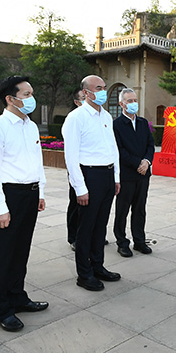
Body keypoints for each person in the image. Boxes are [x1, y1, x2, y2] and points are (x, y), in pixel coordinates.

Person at [0, 76, 48, 332]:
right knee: (3, 256)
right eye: (26, 94)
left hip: (29, 194)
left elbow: (36, 161)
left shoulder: (30, 126)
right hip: (8, 195)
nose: (31, 98)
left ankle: (18, 297)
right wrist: (0, 208)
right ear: (10, 98)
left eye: (32, 93)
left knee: (21, 251)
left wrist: (40, 191)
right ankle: (1, 310)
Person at [62, 75, 122, 291]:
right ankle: (84, 274)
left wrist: (115, 178)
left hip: (106, 176)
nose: (103, 91)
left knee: (100, 226)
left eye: (104, 87)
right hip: (89, 175)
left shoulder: (105, 115)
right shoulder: (75, 118)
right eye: (98, 88)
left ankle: (98, 266)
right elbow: (71, 156)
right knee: (85, 228)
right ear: (86, 92)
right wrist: (80, 187)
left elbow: (112, 149)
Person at [112, 88, 155, 257]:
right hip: (127, 175)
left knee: (140, 209)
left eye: (135, 100)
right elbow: (119, 150)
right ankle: (122, 242)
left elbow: (150, 145)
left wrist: (146, 161)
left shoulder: (144, 123)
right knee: (122, 210)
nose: (133, 103)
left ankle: (139, 241)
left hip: (144, 174)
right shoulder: (116, 125)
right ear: (122, 104)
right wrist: (137, 162)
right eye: (129, 101)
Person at [66, 88, 85, 251]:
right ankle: (74, 237)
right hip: (77, 167)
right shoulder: (73, 119)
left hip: (93, 170)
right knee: (76, 203)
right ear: (77, 102)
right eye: (83, 98)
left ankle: (88, 234)